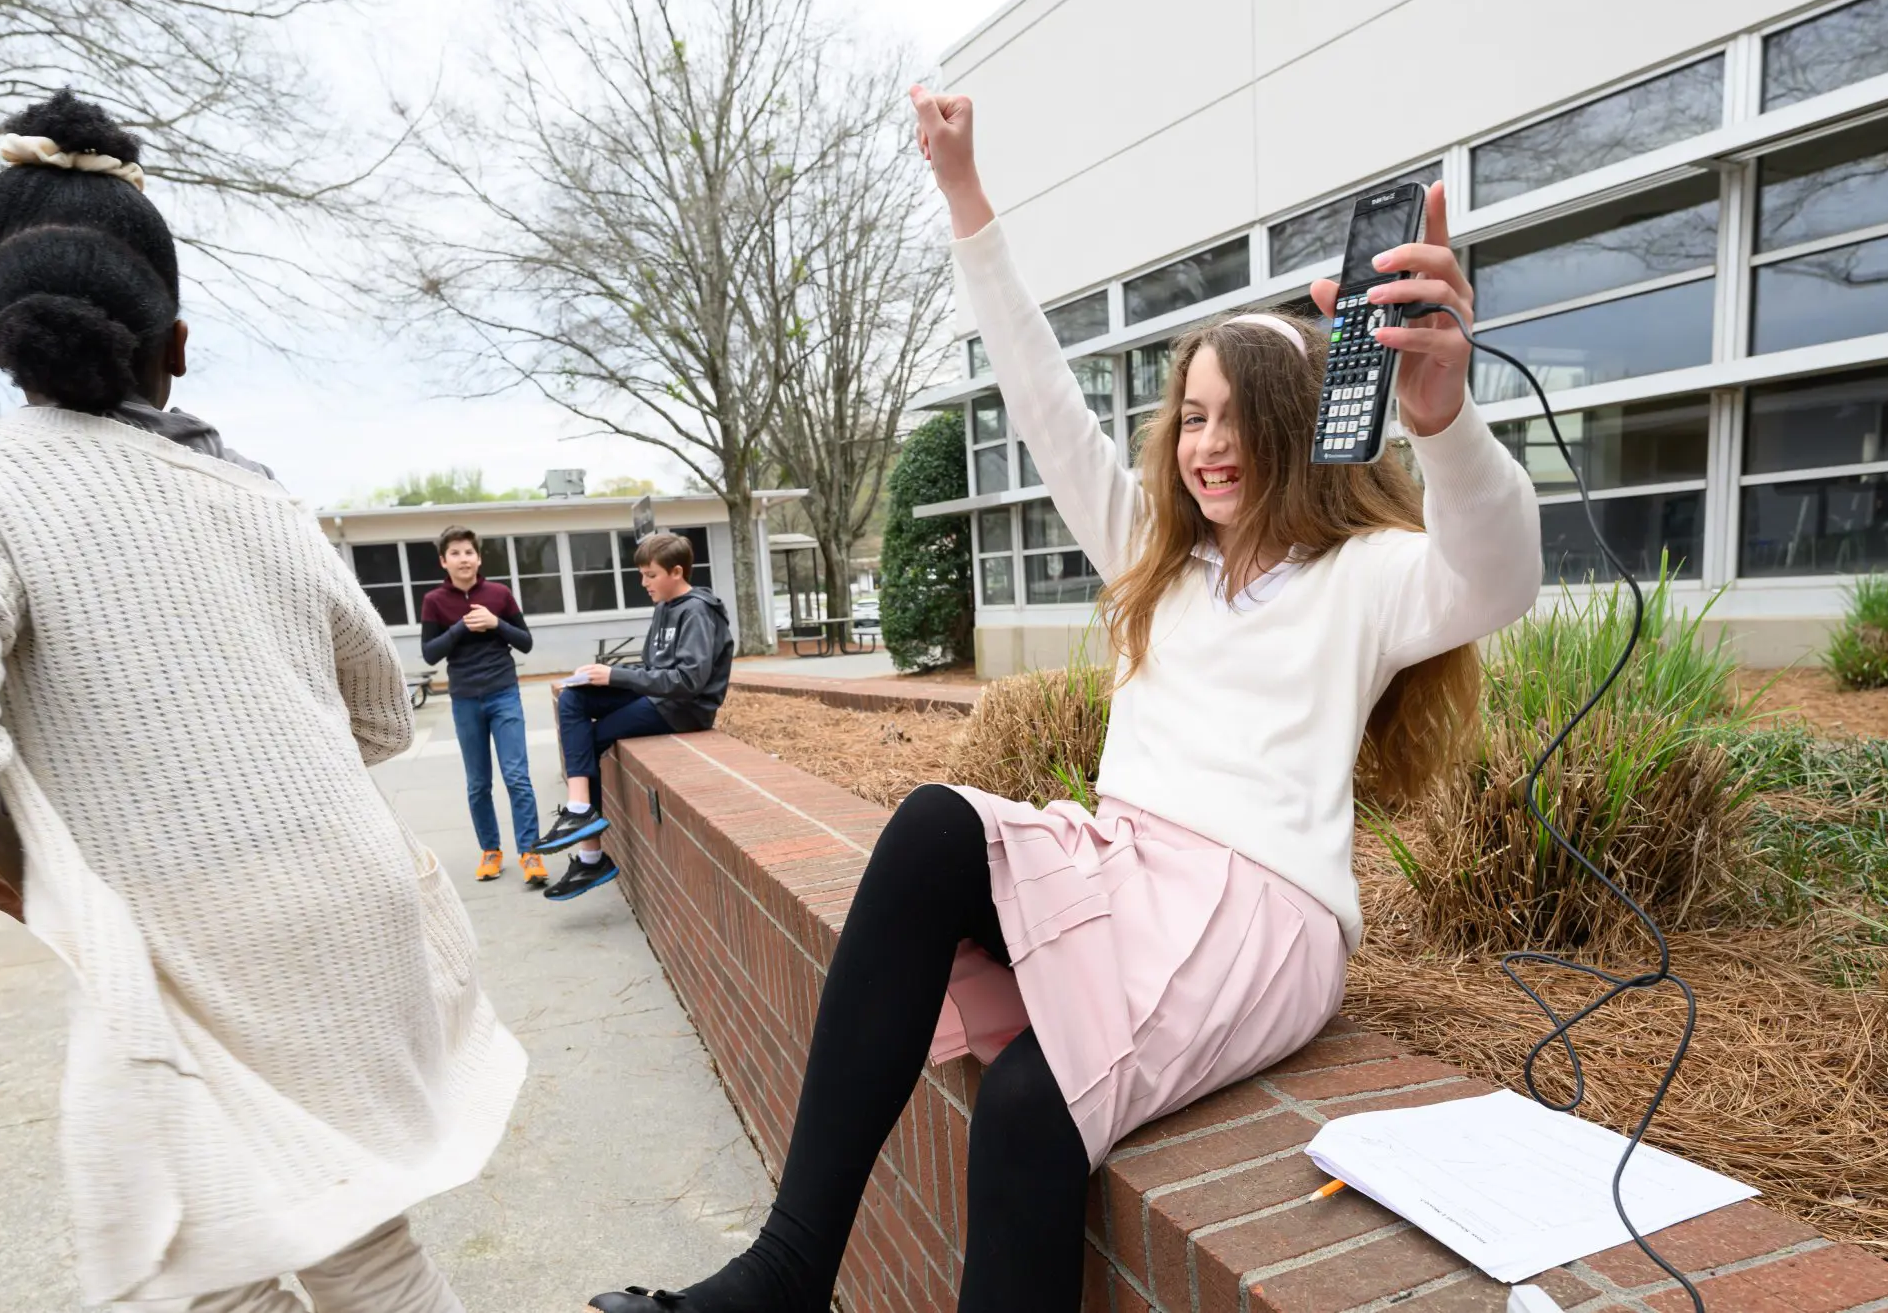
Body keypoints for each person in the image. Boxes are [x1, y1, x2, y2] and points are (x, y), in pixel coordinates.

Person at [585, 87, 1541, 1312]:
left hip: (1260, 910)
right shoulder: (1155, 553)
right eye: (1192, 415)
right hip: (1122, 863)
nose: (1209, 442)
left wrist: (1443, 417)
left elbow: (1497, 574)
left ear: (1304, 429)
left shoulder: (1366, 580)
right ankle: (786, 1275)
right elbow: (1039, 396)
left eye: (1240, 417)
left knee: (1030, 1113)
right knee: (935, 824)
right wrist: (965, 195)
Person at [0, 90, 523, 1312]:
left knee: (198, 1276)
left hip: (175, 936)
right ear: (177, 344)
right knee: (366, 1248)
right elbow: (380, 716)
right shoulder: (260, 496)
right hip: (347, 909)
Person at [531, 530, 734, 901]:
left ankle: (590, 853)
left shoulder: (698, 612)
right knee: (574, 698)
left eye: (650, 575)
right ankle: (579, 810)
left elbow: (689, 680)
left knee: (590, 740)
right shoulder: (664, 609)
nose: (643, 583)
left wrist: (616, 676)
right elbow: (654, 667)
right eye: (641, 574)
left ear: (676, 571)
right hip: (658, 697)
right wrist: (601, 676)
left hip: (682, 710)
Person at [418, 526, 547, 887]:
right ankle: (490, 851)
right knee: (478, 783)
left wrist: (495, 623)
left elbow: (525, 642)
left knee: (517, 777)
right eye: (455, 553)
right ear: (444, 561)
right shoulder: (434, 601)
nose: (463, 559)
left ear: (478, 558)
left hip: (503, 692)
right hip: (465, 699)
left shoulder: (499, 593)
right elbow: (430, 652)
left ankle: (530, 852)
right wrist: (460, 628)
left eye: (469, 552)